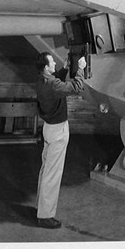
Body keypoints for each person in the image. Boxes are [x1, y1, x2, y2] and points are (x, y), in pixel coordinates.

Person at [34, 51, 86, 229]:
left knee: (45, 171)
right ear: (46, 67)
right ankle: (45, 216)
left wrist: (64, 68)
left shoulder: (42, 80)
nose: (55, 64)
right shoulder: (53, 85)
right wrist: (80, 69)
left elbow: (55, 80)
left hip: (48, 129)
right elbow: (76, 87)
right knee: (52, 175)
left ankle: (41, 209)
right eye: (52, 63)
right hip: (57, 131)